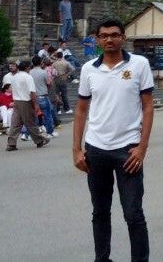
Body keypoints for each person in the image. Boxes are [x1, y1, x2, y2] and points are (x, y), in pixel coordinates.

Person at [73, 19, 154, 262]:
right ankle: (102, 258)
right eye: (105, 35)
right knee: (100, 212)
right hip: (96, 150)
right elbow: (80, 111)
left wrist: (142, 148)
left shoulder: (139, 64)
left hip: (127, 150)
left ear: (123, 37)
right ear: (97, 40)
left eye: (115, 35)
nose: (110, 39)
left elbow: (148, 107)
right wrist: (76, 150)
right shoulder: (89, 69)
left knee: (133, 214)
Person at [5, 60, 50, 151]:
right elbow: (32, 92)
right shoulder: (28, 77)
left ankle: (11, 144)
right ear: (26, 68)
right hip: (26, 101)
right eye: (29, 67)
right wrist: (36, 104)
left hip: (16, 101)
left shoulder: (14, 77)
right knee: (30, 122)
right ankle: (39, 140)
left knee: (15, 123)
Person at [29, 56, 57, 138]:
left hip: (33, 96)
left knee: (34, 116)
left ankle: (33, 133)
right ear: (41, 62)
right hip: (43, 95)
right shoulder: (43, 72)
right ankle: (49, 132)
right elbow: (49, 83)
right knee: (47, 115)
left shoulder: (29, 73)